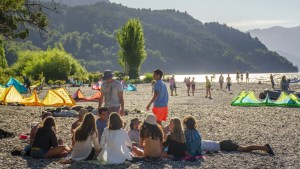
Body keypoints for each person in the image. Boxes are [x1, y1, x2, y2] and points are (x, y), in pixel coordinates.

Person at [202, 140, 274, 155]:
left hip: (225, 146)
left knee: (245, 149)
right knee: (245, 149)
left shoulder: (197, 145)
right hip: (223, 143)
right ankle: (264, 147)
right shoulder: (200, 141)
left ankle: (265, 147)